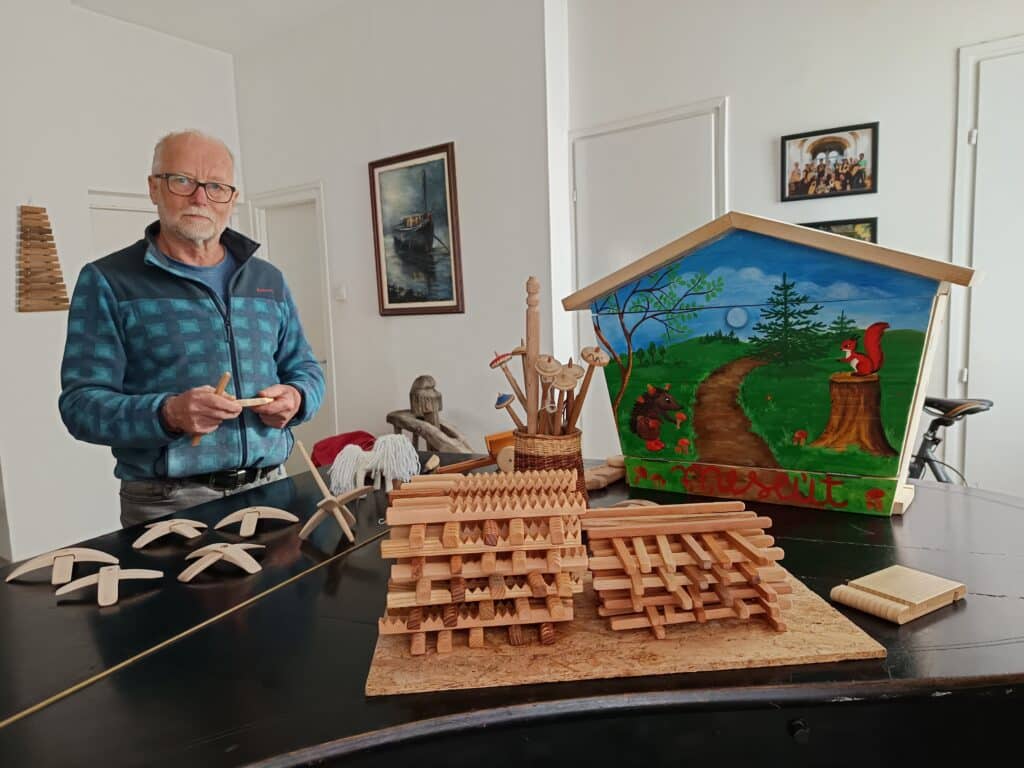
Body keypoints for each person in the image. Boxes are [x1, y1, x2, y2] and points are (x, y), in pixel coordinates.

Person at [58, 129, 325, 527]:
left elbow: (306, 369)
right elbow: (80, 406)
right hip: (168, 503)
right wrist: (167, 414)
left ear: (232, 198)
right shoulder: (108, 281)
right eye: (183, 181)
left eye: (216, 186)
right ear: (154, 187)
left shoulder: (267, 279)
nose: (201, 198)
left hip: (271, 488)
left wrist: (298, 398)